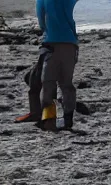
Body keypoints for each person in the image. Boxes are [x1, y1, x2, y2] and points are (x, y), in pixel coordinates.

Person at [35, 0, 79, 131]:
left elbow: (41, 17)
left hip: (52, 43)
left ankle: (49, 119)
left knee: (48, 83)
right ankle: (68, 119)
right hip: (70, 43)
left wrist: (45, 30)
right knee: (66, 84)